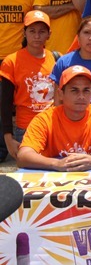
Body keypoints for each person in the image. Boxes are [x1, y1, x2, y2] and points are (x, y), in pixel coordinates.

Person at [16, 65, 91, 171]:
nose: (81, 96)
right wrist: (56, 164)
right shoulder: (44, 119)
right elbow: (23, 155)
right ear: (61, 94)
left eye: (86, 90)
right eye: (74, 90)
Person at [1, 11, 56, 161]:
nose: (37, 36)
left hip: (52, 126)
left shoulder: (56, 58)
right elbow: (5, 103)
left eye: (41, 32)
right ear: (24, 32)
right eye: (32, 31)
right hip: (26, 128)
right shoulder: (11, 61)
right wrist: (8, 137)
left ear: (49, 34)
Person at [0, 0, 35, 161]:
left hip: (19, 58)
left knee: (25, 102)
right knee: (1, 105)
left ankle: (27, 144)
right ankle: (3, 149)